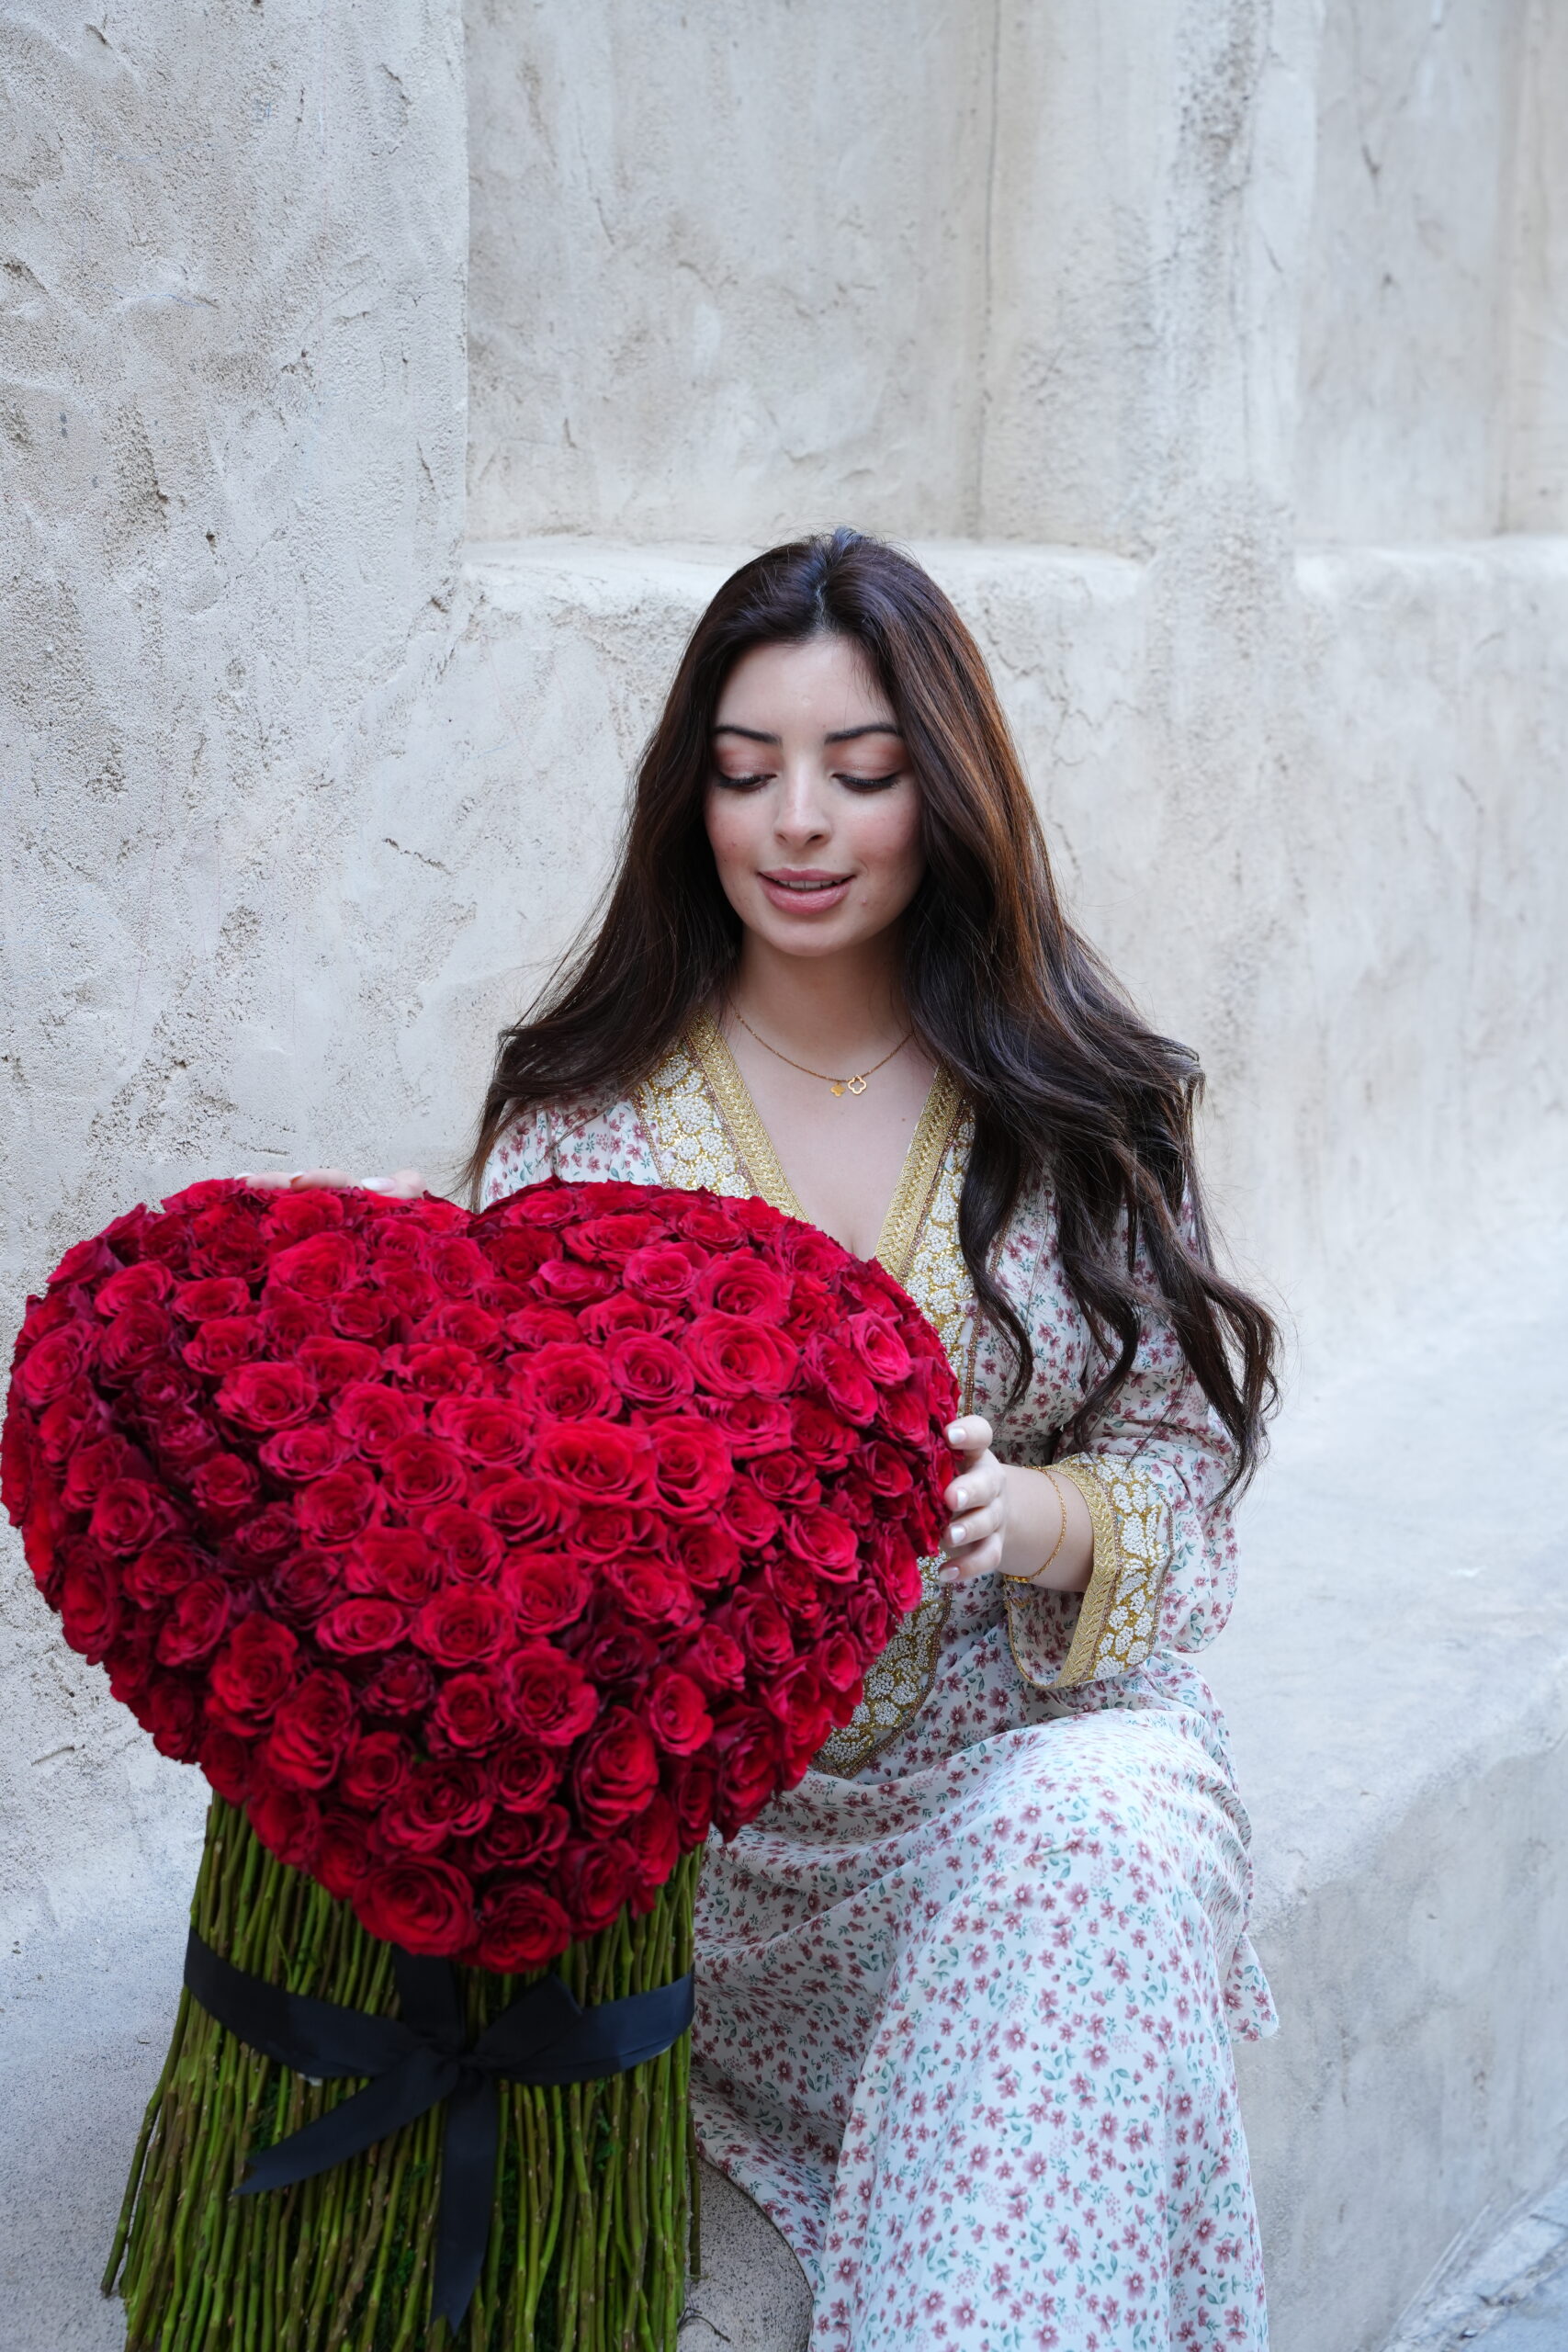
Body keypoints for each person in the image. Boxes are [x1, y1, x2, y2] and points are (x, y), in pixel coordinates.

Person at [279, 528, 1280, 2350]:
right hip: (709, 1867)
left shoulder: (1074, 1102)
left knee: (1091, 1834)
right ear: (694, 800)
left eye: (860, 768)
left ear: (946, 789)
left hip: (1010, 1772)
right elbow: (499, 1534)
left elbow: (1172, 1465)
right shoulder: (582, 1127)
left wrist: (1033, 1514)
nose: (797, 821)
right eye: (746, 772)